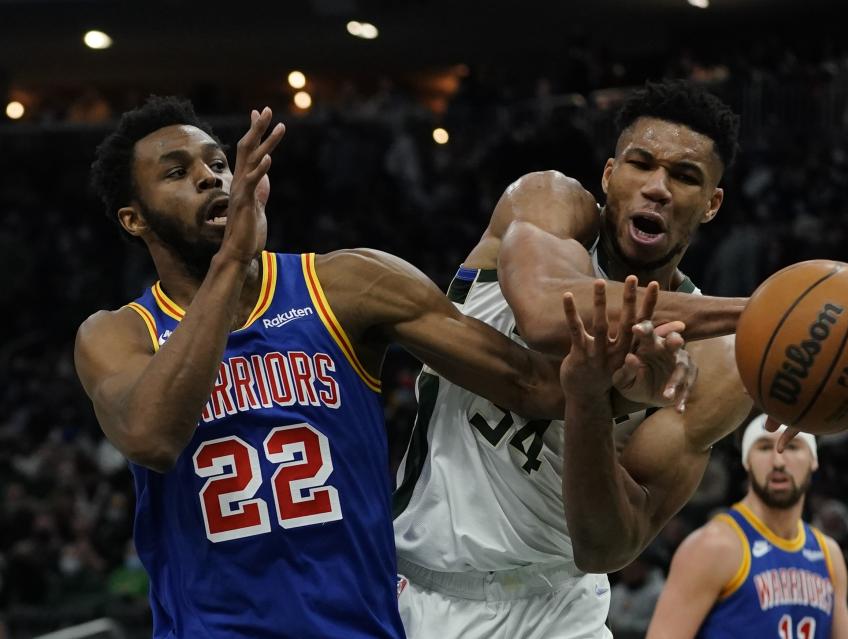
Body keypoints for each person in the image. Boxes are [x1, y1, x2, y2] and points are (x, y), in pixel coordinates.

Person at [73, 97, 695, 638]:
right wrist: (233, 260)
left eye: (216, 162)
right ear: (134, 218)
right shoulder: (117, 333)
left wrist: (629, 386)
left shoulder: (345, 283)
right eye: (177, 174)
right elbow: (152, 436)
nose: (211, 179)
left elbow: (529, 382)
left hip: (362, 625)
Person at [393, 79, 756, 638]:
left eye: (684, 176)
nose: (657, 188)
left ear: (711, 204)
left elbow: (606, 545)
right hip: (422, 589)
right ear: (610, 176)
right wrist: (759, 311)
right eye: (642, 164)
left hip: (561, 605)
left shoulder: (718, 364)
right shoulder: (546, 202)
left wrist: (590, 403)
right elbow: (544, 313)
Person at [644, 415, 848, 638]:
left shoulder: (827, 554)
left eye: (793, 447)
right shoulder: (713, 547)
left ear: (813, 460)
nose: (778, 462)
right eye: (764, 448)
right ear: (747, 460)